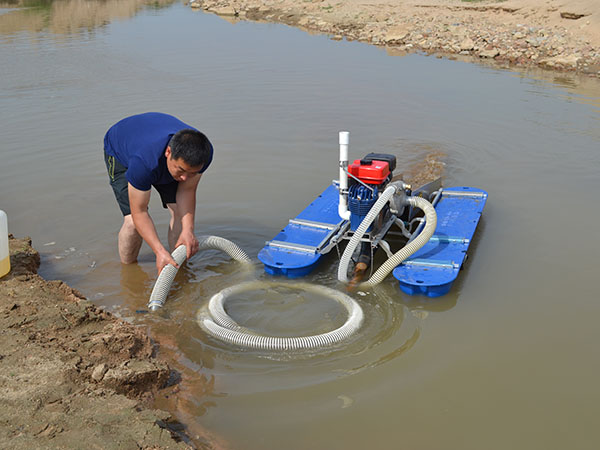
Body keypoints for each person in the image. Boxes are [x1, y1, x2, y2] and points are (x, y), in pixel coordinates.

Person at [103, 112, 213, 275]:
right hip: (120, 149)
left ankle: (178, 270)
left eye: (192, 173)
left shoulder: (204, 154)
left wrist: (188, 230)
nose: (184, 178)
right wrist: (159, 251)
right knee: (132, 222)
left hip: (156, 144)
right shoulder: (143, 163)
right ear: (168, 152)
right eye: (181, 170)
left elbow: (187, 190)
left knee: (180, 214)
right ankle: (129, 271)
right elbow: (139, 212)